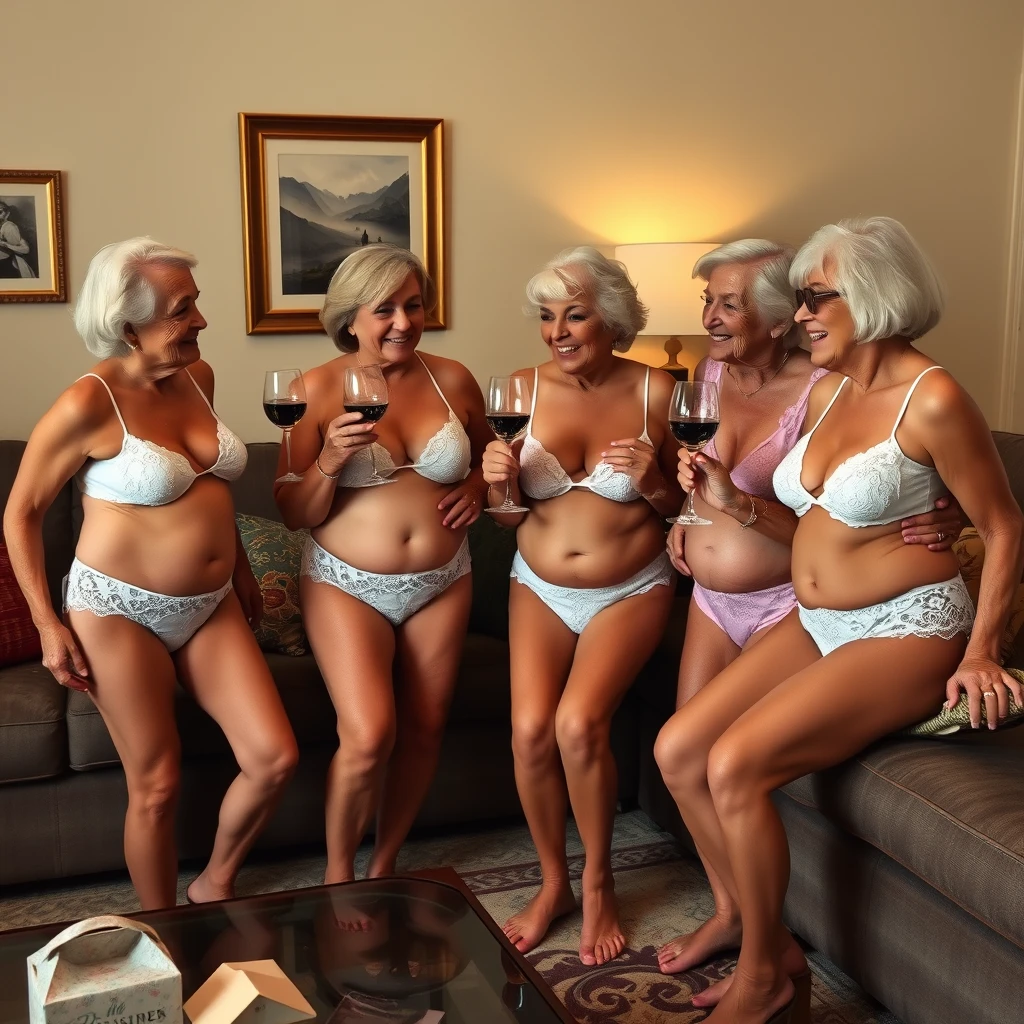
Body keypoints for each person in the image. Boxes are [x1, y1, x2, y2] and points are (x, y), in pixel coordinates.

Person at [654, 216, 1023, 1024]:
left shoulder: (935, 398)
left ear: (875, 295)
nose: (802, 314)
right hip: (821, 622)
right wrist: (732, 504)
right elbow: (811, 532)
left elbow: (1002, 525)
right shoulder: (833, 391)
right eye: (801, 298)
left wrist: (984, 652)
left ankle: (766, 978)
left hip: (907, 626)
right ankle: (771, 939)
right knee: (678, 749)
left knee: (735, 765)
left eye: (817, 296)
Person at [3, 238, 298, 911]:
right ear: (128, 323)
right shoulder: (88, 402)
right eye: (182, 309)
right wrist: (49, 625)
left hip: (212, 602)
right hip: (117, 609)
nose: (200, 321)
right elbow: (20, 513)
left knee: (274, 757)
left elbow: (208, 492)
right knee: (157, 784)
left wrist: (242, 568)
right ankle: (163, 931)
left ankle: (215, 881)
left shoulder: (202, 377)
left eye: (195, 305)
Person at [482, 247, 683, 966]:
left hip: (630, 588)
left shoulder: (659, 392)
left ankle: (598, 883)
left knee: (576, 723)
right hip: (537, 584)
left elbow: (681, 510)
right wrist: (499, 486)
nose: (559, 331)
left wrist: (655, 478)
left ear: (614, 319)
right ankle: (552, 883)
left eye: (576, 314)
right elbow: (504, 516)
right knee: (531, 730)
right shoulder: (516, 389)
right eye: (546, 316)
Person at [275, 244, 490, 886]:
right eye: (385, 309)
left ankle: (385, 863)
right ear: (350, 317)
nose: (403, 321)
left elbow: (491, 457)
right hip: (347, 584)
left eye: (414, 305)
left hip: (442, 580)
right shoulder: (311, 390)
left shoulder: (453, 378)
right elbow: (291, 510)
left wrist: (478, 487)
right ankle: (339, 876)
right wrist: (329, 462)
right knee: (369, 736)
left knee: (425, 730)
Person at [0, 200, 36, 278]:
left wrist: (5, 244)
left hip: (6, 265)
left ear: (7, 214)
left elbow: (25, 249)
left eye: (0, 212)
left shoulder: (9, 227)